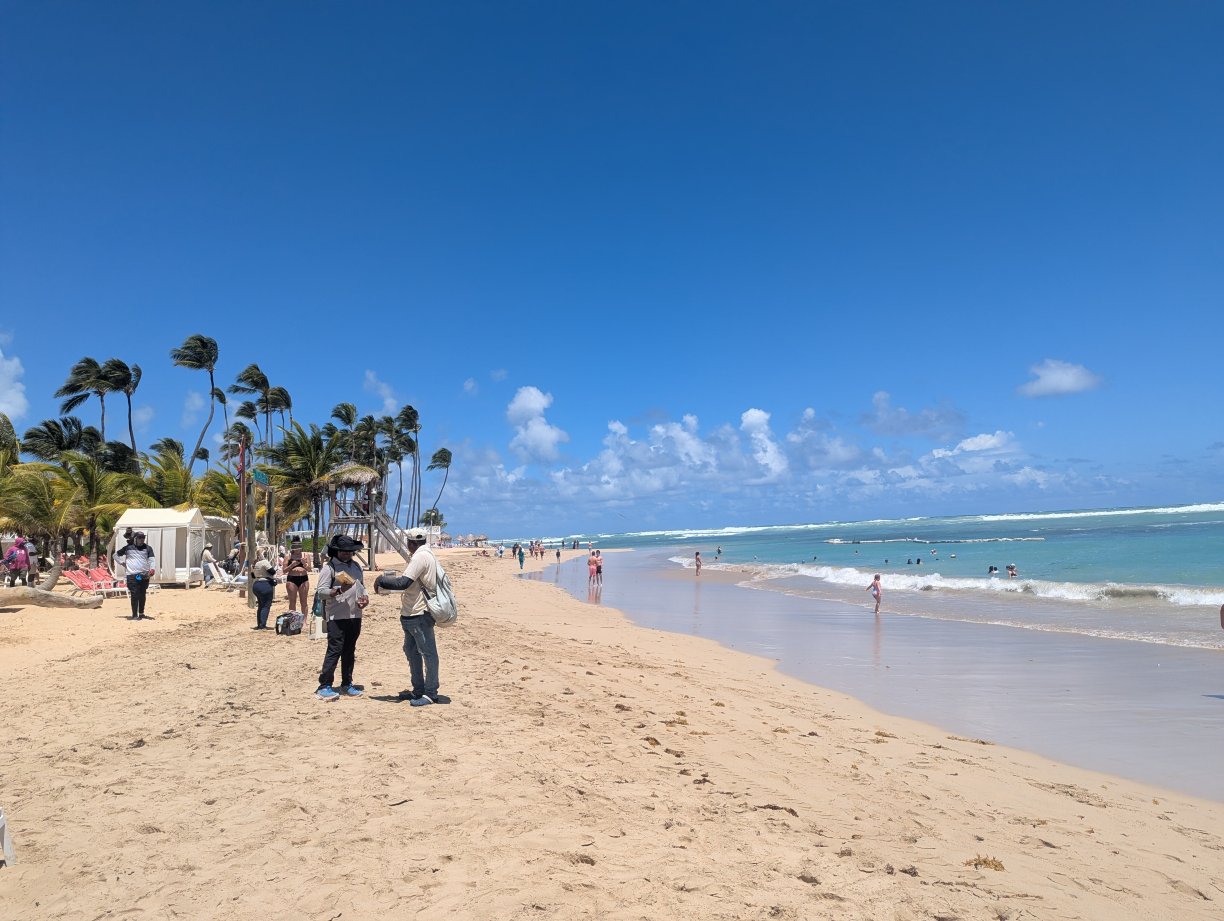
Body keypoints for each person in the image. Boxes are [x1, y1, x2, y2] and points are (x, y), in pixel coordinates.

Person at [373, 528, 447, 707]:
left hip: (418, 612)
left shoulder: (420, 557)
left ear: (410, 543)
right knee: (412, 651)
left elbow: (403, 583)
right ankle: (418, 689)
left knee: (427, 653)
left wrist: (380, 580)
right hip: (411, 612)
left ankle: (430, 693)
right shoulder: (426, 554)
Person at [313, 534, 369, 700]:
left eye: (349, 551)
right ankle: (324, 685)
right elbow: (321, 592)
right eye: (343, 551)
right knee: (334, 650)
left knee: (349, 650)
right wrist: (338, 590)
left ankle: (347, 683)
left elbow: (361, 588)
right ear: (336, 551)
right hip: (336, 616)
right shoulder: (328, 568)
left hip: (355, 615)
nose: (346, 554)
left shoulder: (357, 567)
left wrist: (365, 600)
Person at [115, 531, 156, 620]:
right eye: (140, 537)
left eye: (143, 537)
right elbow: (115, 555)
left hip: (144, 575)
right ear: (135, 538)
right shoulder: (128, 548)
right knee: (134, 594)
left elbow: (152, 560)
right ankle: (134, 615)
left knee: (142, 594)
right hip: (132, 575)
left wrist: (152, 569)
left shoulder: (148, 548)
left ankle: (141, 613)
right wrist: (122, 563)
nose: (142, 539)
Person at [282, 539, 311, 614]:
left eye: (298, 547)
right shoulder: (288, 556)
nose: (297, 549)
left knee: (304, 601)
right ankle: (293, 621)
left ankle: (304, 621)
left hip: (303, 579)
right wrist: (291, 565)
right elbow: (284, 571)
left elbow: (310, 569)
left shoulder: (305, 555)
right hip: (292, 579)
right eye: (295, 547)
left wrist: (304, 564)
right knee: (292, 601)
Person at [252, 559, 276, 630]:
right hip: (265, 584)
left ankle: (259, 624)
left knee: (260, 606)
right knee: (266, 606)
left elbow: (253, 576)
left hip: (256, 584)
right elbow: (272, 571)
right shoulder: (264, 562)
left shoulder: (254, 565)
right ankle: (262, 625)